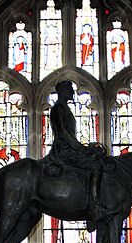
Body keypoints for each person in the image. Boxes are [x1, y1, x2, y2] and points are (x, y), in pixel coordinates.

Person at [48, 80, 107, 231]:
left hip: (70, 148)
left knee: (95, 159)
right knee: (95, 166)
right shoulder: (58, 109)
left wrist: (87, 148)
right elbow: (62, 133)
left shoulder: (64, 108)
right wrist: (82, 149)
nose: (72, 93)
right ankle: (94, 208)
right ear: (62, 91)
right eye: (70, 90)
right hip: (63, 151)